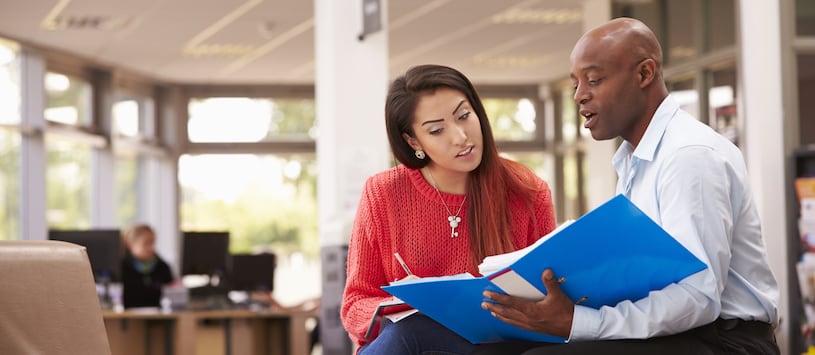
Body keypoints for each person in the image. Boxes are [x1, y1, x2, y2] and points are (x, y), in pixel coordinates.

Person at [474, 17, 780, 355]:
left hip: (725, 340)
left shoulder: (689, 156)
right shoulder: (635, 161)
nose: (579, 96)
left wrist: (579, 322)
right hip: (683, 334)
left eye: (593, 80)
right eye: (575, 83)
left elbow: (698, 297)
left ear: (644, 74)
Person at [341, 64, 558, 354]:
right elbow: (356, 303)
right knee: (410, 331)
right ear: (413, 140)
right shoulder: (383, 193)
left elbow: (552, 296)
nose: (460, 137)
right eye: (437, 130)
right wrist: (408, 307)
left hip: (502, 344)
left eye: (464, 116)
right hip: (412, 342)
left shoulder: (527, 190)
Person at [120, 223, 174, 309]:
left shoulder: (163, 267)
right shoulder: (121, 267)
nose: (151, 248)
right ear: (131, 244)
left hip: (159, 318)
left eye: (153, 243)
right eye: (146, 243)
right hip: (127, 317)